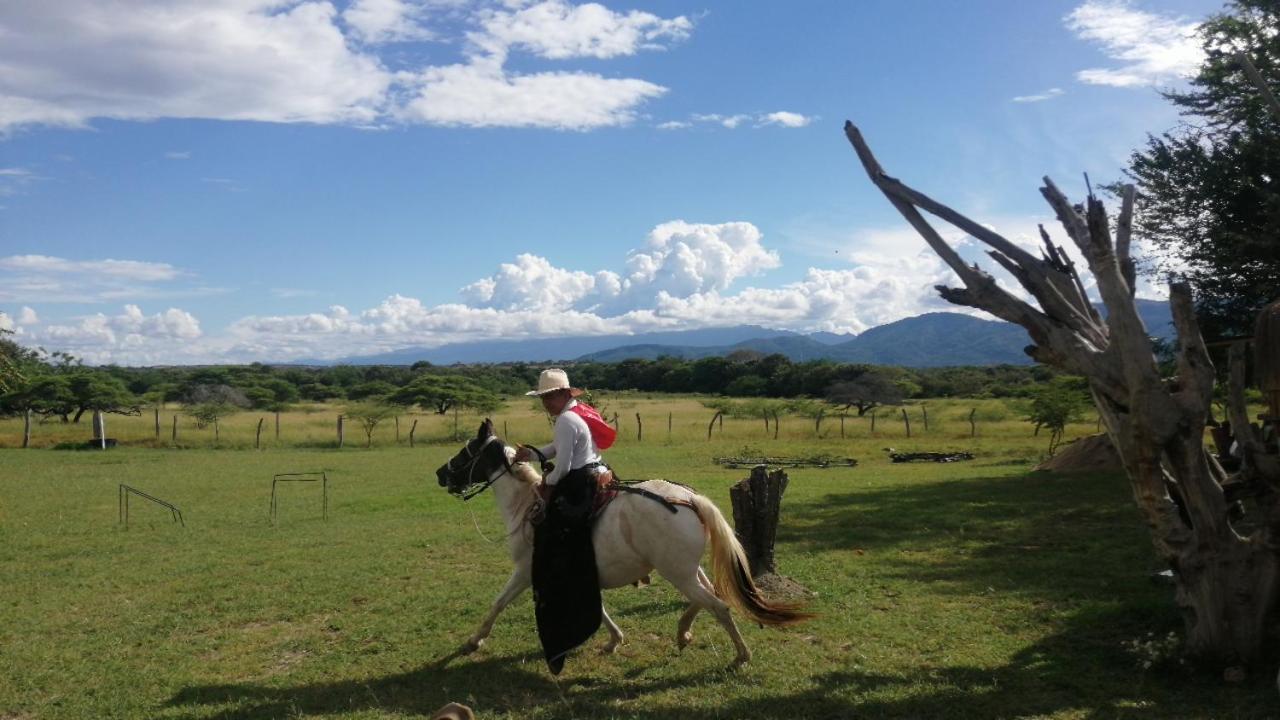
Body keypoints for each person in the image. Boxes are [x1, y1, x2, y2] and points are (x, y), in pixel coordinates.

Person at [513, 368, 617, 674]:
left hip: (576, 482)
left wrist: (545, 481)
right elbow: (555, 449)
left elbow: (564, 467)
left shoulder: (566, 421)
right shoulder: (572, 418)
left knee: (553, 534)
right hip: (586, 475)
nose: (546, 402)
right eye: (543, 398)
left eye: (550, 396)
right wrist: (531, 455)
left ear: (563, 395)